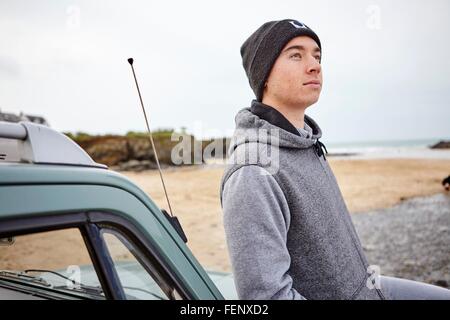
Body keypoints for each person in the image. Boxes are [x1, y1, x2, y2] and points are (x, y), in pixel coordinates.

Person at [220, 18, 450, 300]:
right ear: (264, 74)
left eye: (317, 55)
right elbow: (267, 296)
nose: (314, 65)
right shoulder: (253, 171)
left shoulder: (307, 144)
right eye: (296, 55)